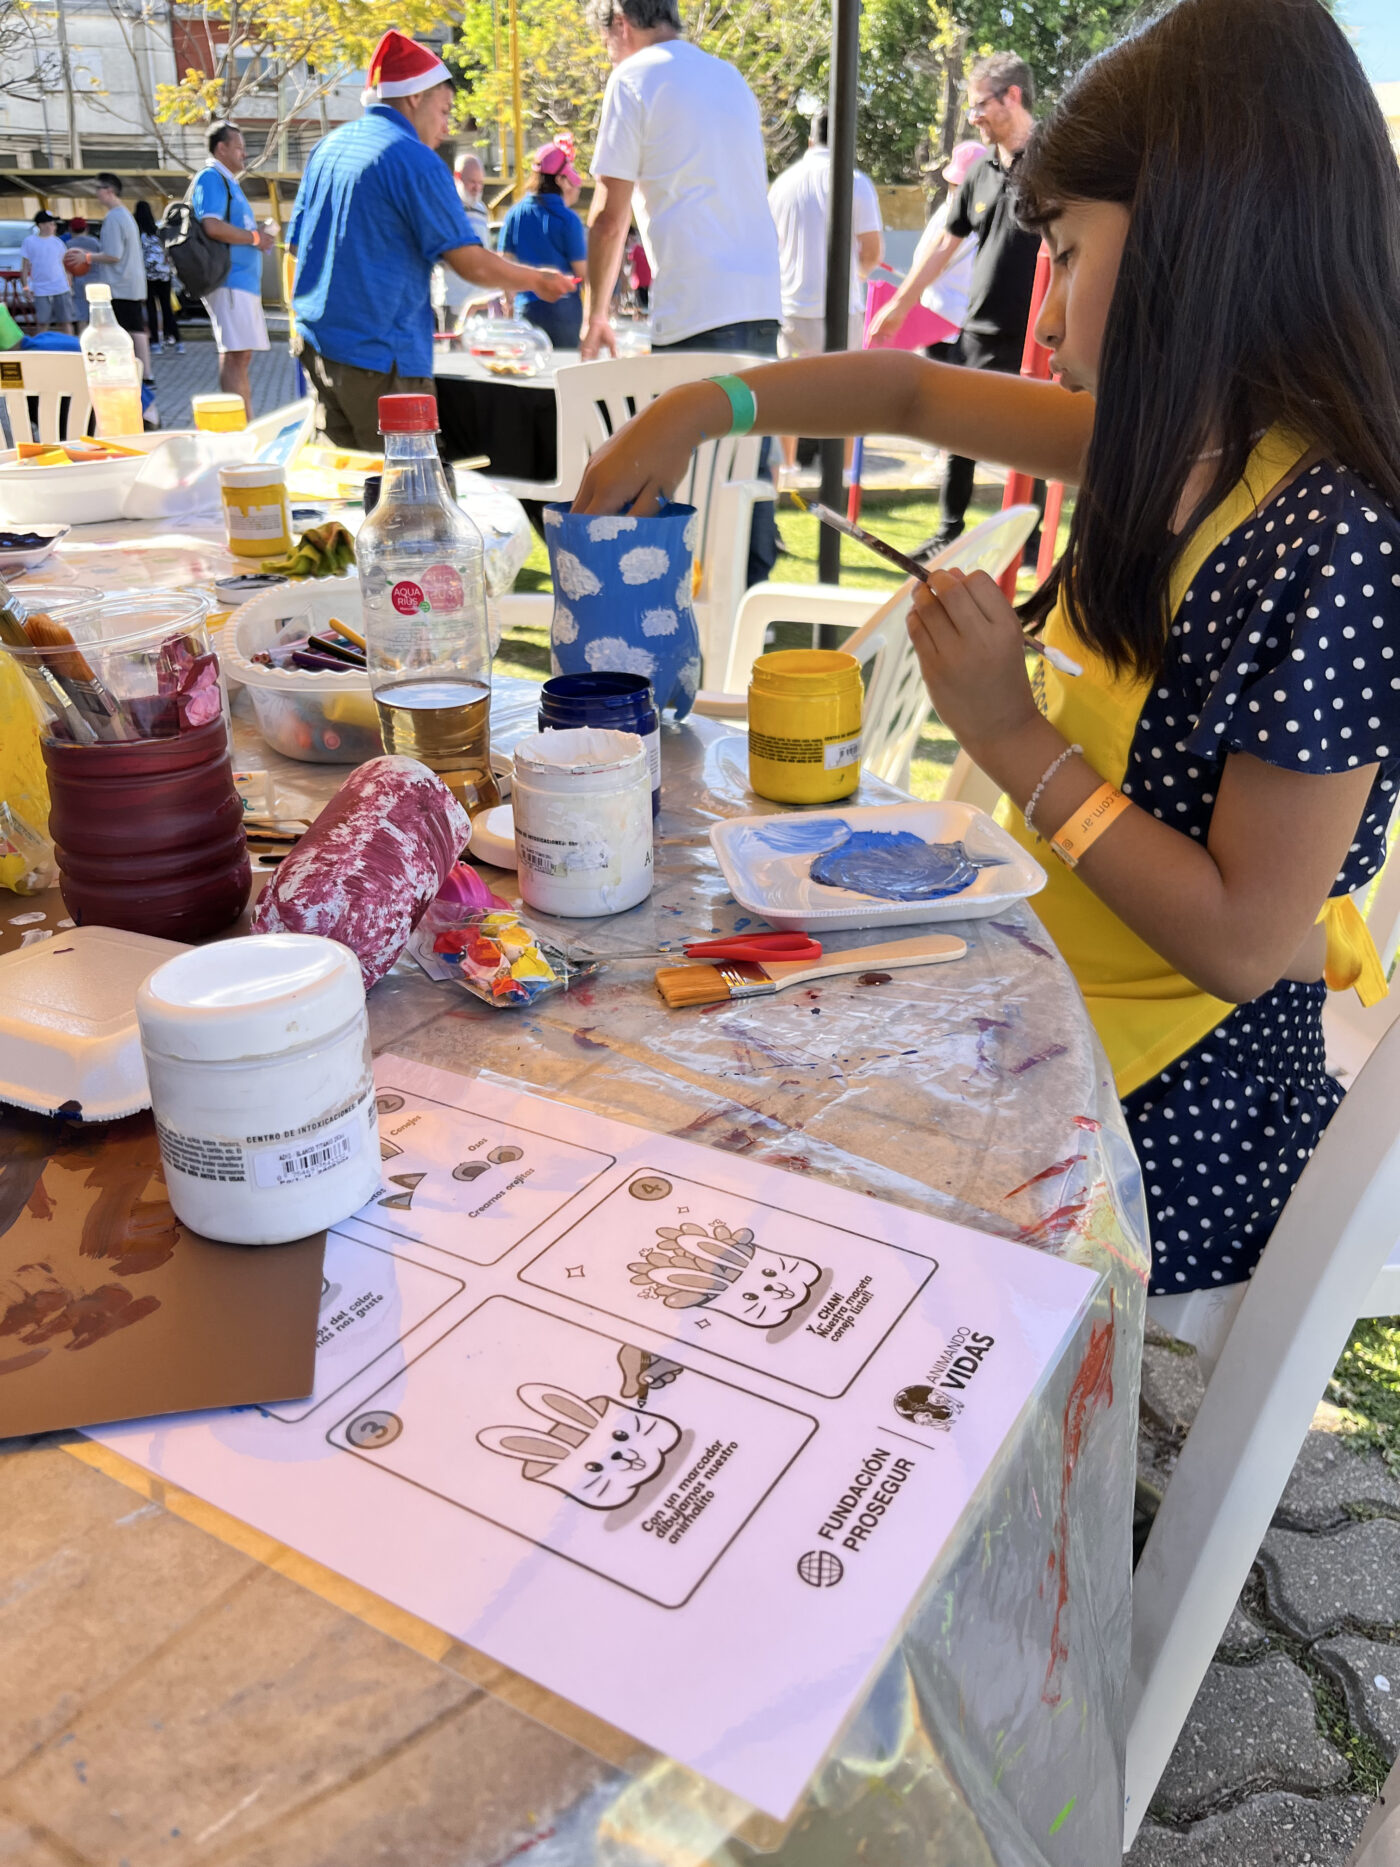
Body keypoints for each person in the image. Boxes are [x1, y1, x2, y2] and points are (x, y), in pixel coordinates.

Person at [571, 0, 1400, 1302]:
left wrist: (1011, 734)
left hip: (1168, 1118)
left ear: (1195, 234)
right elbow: (907, 390)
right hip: (1028, 1001)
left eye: (1065, 254)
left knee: (775, 1234)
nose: (1046, 315)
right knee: (689, 1102)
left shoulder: (1332, 530)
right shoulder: (1169, 447)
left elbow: (1243, 941)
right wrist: (700, 406)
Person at [287, 29, 577, 451]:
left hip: (318, 348)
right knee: (408, 484)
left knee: (344, 482)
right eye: (444, 111)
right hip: (380, 360)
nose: (446, 126)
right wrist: (537, 280)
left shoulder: (327, 147)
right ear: (414, 98)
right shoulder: (413, 159)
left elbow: (298, 247)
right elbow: (470, 263)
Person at [871, 54, 1042, 556]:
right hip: (979, 328)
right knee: (959, 433)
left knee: (1035, 438)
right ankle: (948, 532)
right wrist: (900, 306)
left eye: (980, 106)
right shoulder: (981, 172)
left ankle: (1031, 543)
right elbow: (945, 245)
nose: (974, 117)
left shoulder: (1056, 162)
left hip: (1034, 332)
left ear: (1013, 96)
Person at [581, 0, 781, 361]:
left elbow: (609, 218)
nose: (608, 55)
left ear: (621, 24)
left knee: (689, 403)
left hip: (696, 308)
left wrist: (594, 315)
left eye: (605, 41)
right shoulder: (730, 77)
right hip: (763, 303)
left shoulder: (632, 78)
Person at [766, 107, 883, 471]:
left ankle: (786, 469)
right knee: (846, 395)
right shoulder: (855, 181)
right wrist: (855, 274)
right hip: (840, 307)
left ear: (810, 140)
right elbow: (872, 252)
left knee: (785, 396)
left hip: (788, 304)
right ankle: (842, 473)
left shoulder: (782, 184)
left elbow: (769, 246)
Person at [190, 123, 272, 419]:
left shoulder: (227, 181)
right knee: (235, 354)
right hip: (229, 279)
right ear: (221, 148)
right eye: (239, 148)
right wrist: (254, 237)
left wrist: (256, 235)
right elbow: (212, 226)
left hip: (241, 281)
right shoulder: (211, 177)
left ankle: (243, 419)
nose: (244, 154)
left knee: (241, 354)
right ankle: (239, 424)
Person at [499, 141, 588, 348]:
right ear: (560, 180)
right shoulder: (568, 220)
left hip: (526, 309)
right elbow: (583, 274)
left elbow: (504, 264)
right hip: (565, 310)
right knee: (566, 367)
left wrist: (509, 302)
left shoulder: (515, 214)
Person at [910, 140, 983, 364]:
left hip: (937, 318)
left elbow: (920, 261)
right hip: (967, 323)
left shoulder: (945, 215)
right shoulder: (987, 215)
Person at [87, 174, 151, 380]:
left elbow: (113, 255)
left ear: (109, 190)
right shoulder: (124, 215)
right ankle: (144, 373)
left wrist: (86, 257)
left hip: (119, 284)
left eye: (98, 189)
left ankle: (139, 373)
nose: (96, 194)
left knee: (125, 331)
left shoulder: (114, 217)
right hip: (129, 283)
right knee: (135, 328)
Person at [434, 149, 494, 330]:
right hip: (455, 300)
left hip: (480, 299)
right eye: (472, 182)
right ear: (458, 177)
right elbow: (439, 254)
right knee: (454, 347)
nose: (477, 188)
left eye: (480, 183)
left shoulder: (481, 209)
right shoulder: (444, 207)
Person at [134, 198, 182, 356]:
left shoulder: (137, 233)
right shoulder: (158, 231)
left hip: (147, 275)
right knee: (167, 307)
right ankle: (177, 341)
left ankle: (155, 342)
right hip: (164, 274)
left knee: (151, 309)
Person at [20, 211, 73, 335]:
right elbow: (25, 267)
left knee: (66, 321)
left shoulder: (58, 242)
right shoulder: (29, 241)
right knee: (42, 322)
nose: (53, 227)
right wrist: (26, 287)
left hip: (61, 287)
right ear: (41, 225)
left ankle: (70, 345)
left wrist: (69, 283)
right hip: (40, 289)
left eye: (53, 224)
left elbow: (65, 264)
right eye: (50, 224)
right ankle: (40, 345)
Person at [64, 215, 101, 327]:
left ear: (70, 229)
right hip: (96, 281)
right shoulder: (95, 242)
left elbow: (66, 267)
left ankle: (82, 336)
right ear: (86, 228)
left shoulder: (68, 245)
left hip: (78, 282)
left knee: (81, 315)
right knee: (98, 315)